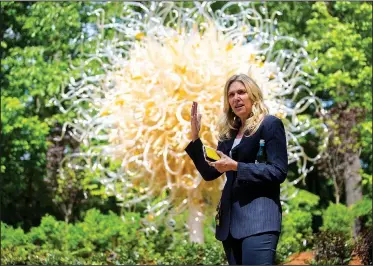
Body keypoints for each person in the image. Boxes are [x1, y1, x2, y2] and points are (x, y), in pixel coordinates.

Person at [184, 73, 288, 265]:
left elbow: (278, 171)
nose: (236, 98)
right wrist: (195, 138)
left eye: (241, 92)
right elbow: (209, 173)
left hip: (259, 221)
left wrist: (236, 166)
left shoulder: (269, 125)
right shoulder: (228, 135)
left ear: (253, 95)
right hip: (230, 225)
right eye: (231, 95)